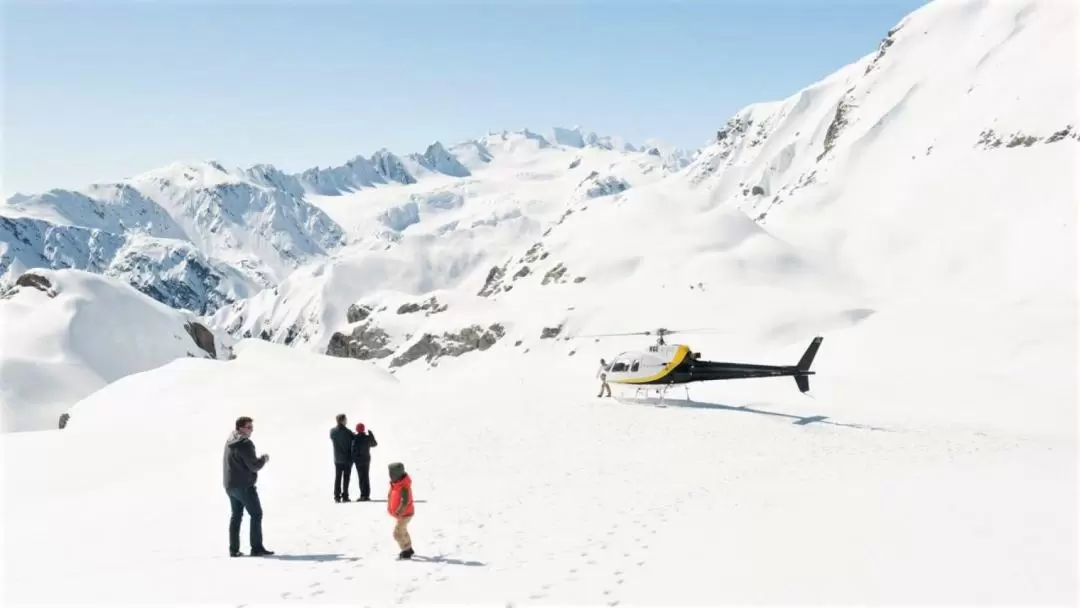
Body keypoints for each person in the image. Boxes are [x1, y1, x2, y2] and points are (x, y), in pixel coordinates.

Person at [223, 416, 273, 557]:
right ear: (240, 428)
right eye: (249, 427)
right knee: (256, 514)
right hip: (244, 486)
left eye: (252, 427)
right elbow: (254, 466)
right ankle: (256, 548)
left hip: (230, 485)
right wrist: (263, 459)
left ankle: (234, 549)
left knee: (236, 515)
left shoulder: (230, 438)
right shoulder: (245, 443)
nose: (252, 430)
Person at [387, 461, 415, 560]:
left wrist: (399, 511)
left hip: (405, 514)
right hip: (402, 514)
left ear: (396, 475)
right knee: (402, 531)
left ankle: (406, 551)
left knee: (397, 534)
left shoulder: (403, 487)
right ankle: (408, 547)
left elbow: (405, 501)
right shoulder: (396, 484)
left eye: (391, 474)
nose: (389, 476)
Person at [330, 414, 355, 502]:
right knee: (346, 478)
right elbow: (354, 440)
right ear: (342, 421)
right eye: (345, 419)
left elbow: (332, 437)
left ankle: (337, 496)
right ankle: (345, 496)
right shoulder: (348, 432)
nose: (346, 421)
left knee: (338, 477)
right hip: (347, 459)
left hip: (337, 459)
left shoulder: (332, 431)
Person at [351, 423, 378, 501]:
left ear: (357, 429)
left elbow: (353, 450)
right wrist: (371, 435)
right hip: (366, 460)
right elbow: (374, 444)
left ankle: (363, 495)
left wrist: (354, 459)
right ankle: (367, 495)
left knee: (361, 477)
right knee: (366, 477)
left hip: (359, 461)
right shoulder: (367, 438)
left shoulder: (355, 438)